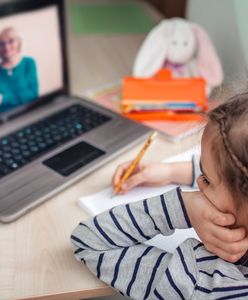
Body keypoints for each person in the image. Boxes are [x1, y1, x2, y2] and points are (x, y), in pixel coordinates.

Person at [71, 93, 248, 299]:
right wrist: (172, 171)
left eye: (206, 179)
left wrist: (183, 207)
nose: (199, 182)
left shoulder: (198, 280)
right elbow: (231, 175)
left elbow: (88, 241)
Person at [0, 27, 38, 113]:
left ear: (18, 43)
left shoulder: (28, 63)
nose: (6, 47)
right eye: (2, 44)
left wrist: (4, 98)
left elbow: (32, 94)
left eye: (11, 41)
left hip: (28, 113)